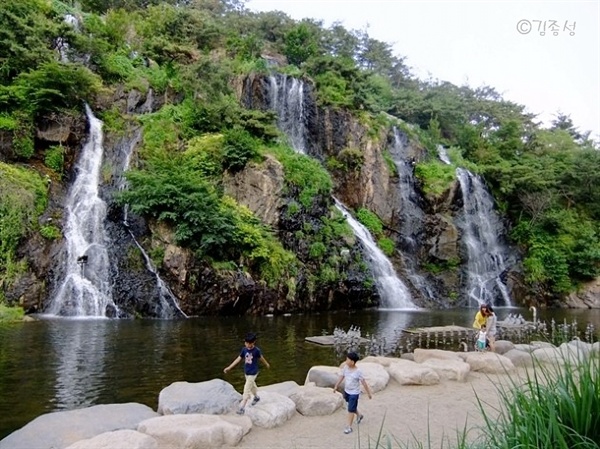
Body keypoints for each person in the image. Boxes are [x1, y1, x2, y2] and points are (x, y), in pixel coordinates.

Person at [223, 332, 270, 415]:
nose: (247, 345)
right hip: (247, 372)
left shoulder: (256, 351)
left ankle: (242, 408)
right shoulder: (244, 350)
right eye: (246, 343)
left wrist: (266, 364)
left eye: (249, 343)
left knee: (246, 388)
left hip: (253, 372)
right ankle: (256, 397)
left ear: (253, 342)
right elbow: (238, 359)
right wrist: (229, 367)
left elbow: (261, 358)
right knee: (252, 386)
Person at [333, 351, 373, 435]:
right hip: (347, 391)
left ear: (352, 361)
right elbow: (342, 376)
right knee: (351, 406)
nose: (346, 361)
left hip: (354, 393)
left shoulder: (358, 371)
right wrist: (336, 385)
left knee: (350, 409)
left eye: (347, 359)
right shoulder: (345, 368)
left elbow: (363, 382)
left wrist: (368, 393)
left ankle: (349, 427)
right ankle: (359, 415)